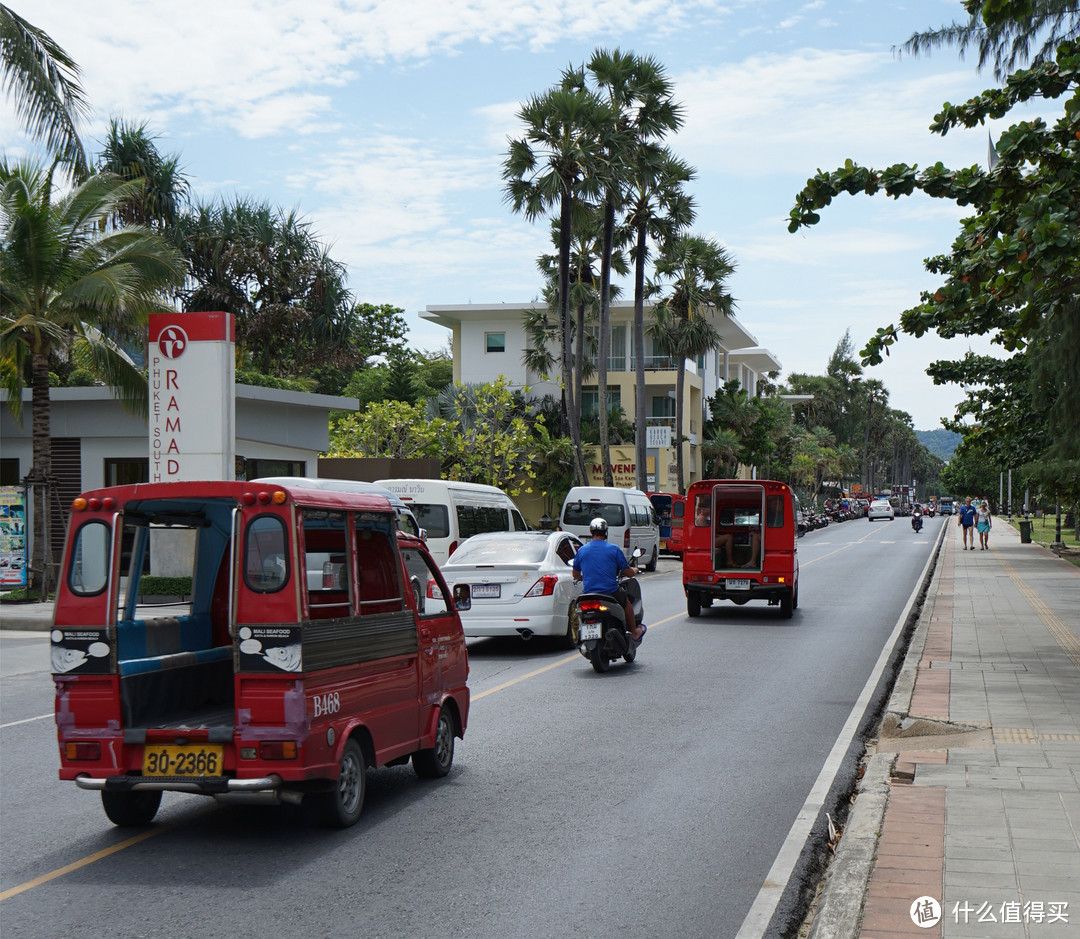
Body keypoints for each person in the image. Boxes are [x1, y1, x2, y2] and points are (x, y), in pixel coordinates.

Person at [572, 517, 643, 641]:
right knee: (626, 602)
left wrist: (583, 577)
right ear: (606, 532)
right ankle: (634, 631)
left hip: (588, 593)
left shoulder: (582, 550)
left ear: (591, 532)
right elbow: (628, 572)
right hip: (610, 592)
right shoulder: (614, 549)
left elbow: (575, 574)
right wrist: (635, 570)